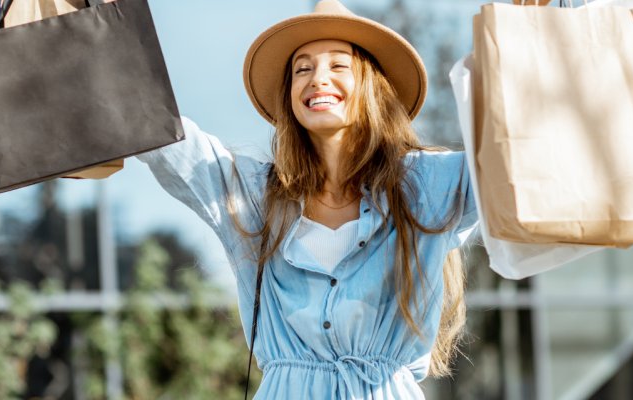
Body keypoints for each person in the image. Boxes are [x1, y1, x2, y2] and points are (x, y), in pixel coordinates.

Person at [135, 1, 477, 398]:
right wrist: (103, 20)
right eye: (303, 69)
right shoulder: (253, 195)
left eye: (338, 65)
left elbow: (512, 165)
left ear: (371, 85)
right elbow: (161, 134)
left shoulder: (426, 185)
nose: (318, 79)